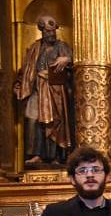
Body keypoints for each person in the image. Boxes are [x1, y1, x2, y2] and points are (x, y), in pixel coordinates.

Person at [14, 15, 75, 166]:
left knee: (54, 122)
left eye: (53, 31)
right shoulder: (35, 47)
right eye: (48, 32)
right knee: (32, 120)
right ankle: (36, 154)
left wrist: (67, 59)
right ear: (42, 31)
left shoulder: (61, 46)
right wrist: (19, 85)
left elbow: (75, 59)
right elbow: (26, 69)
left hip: (55, 90)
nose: (51, 34)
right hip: (36, 89)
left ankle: (56, 156)